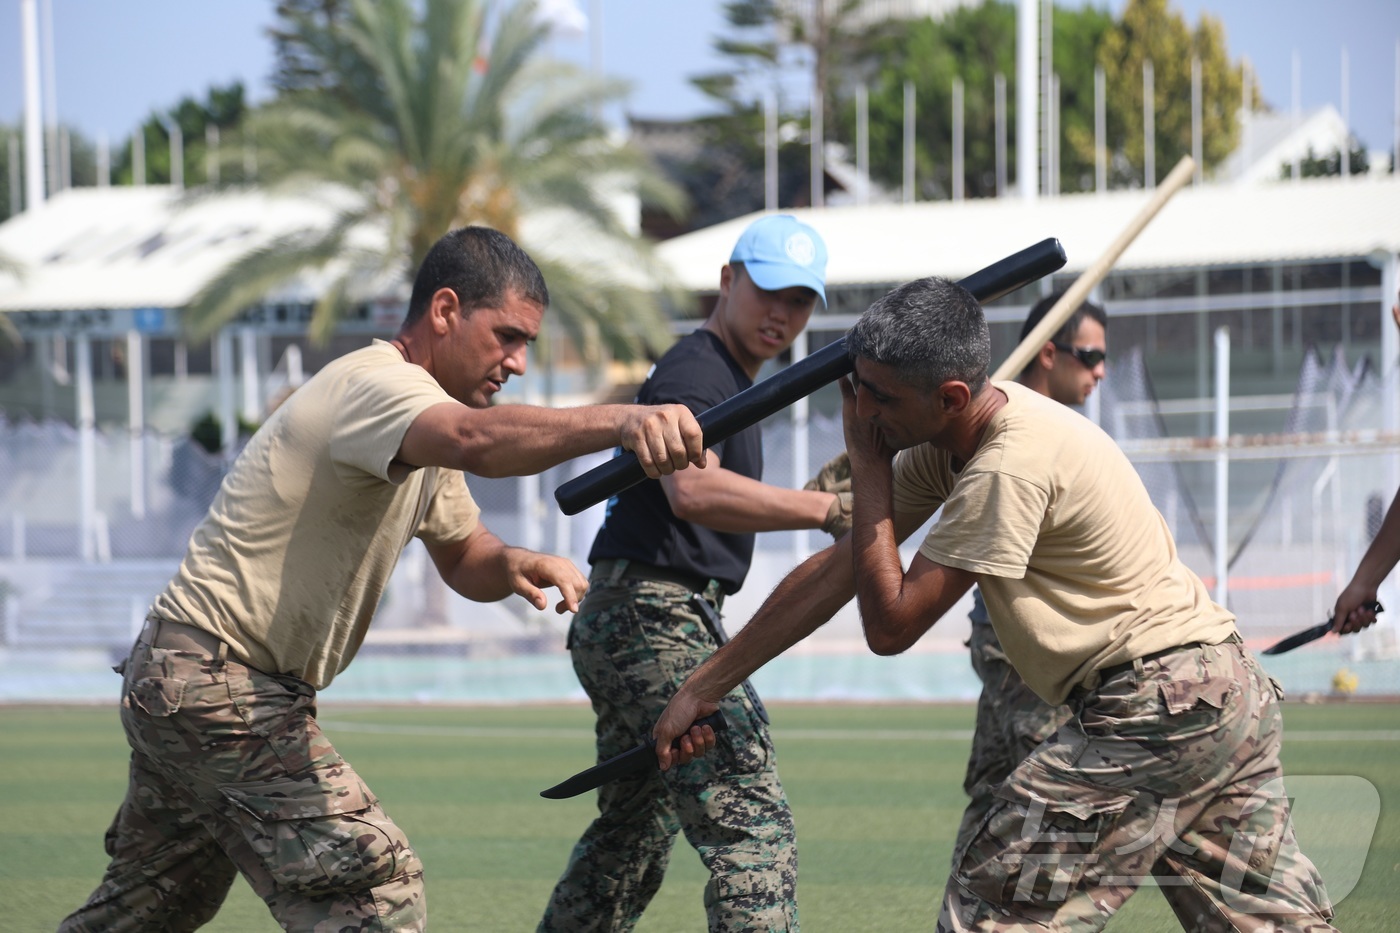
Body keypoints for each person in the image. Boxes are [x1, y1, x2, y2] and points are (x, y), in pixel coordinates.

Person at [60, 225, 714, 933]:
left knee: (148, 909)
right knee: (376, 886)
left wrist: (515, 563)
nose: (519, 363)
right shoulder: (379, 386)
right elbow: (476, 441)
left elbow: (465, 552)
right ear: (443, 311)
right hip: (221, 683)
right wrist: (625, 420)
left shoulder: (423, 426)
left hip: (188, 678)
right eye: (507, 336)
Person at [653, 275, 1341, 931]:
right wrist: (706, 684)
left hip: (1155, 706)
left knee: (994, 905)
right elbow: (837, 572)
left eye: (882, 399)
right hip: (1219, 701)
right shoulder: (945, 442)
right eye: (857, 388)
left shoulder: (1006, 464)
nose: (862, 414)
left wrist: (866, 471)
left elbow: (890, 624)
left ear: (950, 396)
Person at [538, 215, 844, 933]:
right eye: (769, 291)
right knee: (751, 827)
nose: (782, 314)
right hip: (654, 617)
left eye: (800, 302)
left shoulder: (722, 376)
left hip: (631, 613)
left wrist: (815, 500)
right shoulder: (698, 372)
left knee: (631, 837)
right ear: (728, 281)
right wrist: (825, 508)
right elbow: (693, 491)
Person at [954, 292, 1106, 860]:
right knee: (1048, 796)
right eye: (1088, 355)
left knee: (995, 794)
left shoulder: (1059, 430)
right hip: (1024, 645)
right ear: (1048, 353)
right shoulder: (1012, 430)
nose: (1100, 370)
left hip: (1017, 640)